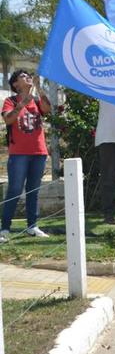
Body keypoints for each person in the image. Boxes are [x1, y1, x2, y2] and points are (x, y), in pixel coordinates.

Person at [0, 71, 52, 242]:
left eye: (28, 75)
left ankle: (32, 226)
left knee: (33, 190)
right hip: (19, 153)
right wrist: (22, 104)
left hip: (39, 152)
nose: (27, 76)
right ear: (15, 84)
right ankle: (5, 229)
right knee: (14, 190)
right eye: (23, 76)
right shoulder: (10, 101)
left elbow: (47, 109)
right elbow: (8, 120)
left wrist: (38, 87)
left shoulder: (36, 101)